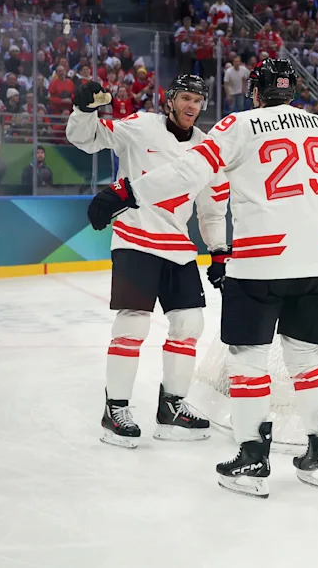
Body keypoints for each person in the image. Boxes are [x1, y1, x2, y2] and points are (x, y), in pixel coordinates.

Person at [86, 59, 318, 497]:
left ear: (255, 93)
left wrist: (127, 193)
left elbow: (186, 173)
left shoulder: (238, 125)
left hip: (260, 264)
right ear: (289, 92)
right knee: (308, 359)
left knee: (248, 361)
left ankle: (253, 458)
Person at [66, 74, 227, 449]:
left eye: (198, 101)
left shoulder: (207, 150)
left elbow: (212, 209)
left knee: (189, 323)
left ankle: (171, 408)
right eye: (186, 97)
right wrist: (82, 109)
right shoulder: (140, 126)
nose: (192, 106)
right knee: (133, 325)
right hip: (135, 238)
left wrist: (218, 251)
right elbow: (86, 138)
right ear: (169, 100)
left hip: (178, 246)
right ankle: (116, 408)